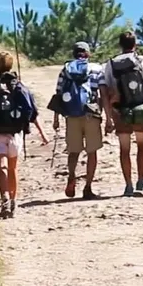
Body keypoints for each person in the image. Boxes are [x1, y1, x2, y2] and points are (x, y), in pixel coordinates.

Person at [0, 51, 48, 219]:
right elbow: (32, 111)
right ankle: (14, 200)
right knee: (12, 168)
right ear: (11, 65)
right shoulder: (19, 85)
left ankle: (5, 200)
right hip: (15, 133)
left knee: (0, 168)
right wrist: (40, 132)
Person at [104, 31, 143, 196]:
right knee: (142, 146)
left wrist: (109, 115)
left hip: (120, 111)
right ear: (135, 44)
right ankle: (141, 181)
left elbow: (107, 89)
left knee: (124, 149)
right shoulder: (141, 61)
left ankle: (128, 185)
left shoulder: (111, 64)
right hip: (140, 109)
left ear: (120, 45)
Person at [50, 41, 109, 199]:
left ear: (74, 53)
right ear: (88, 54)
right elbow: (103, 94)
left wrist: (56, 119)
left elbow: (58, 94)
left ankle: (71, 176)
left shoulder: (66, 69)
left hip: (71, 115)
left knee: (74, 151)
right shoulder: (96, 69)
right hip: (91, 115)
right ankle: (88, 187)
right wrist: (108, 117)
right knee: (92, 152)